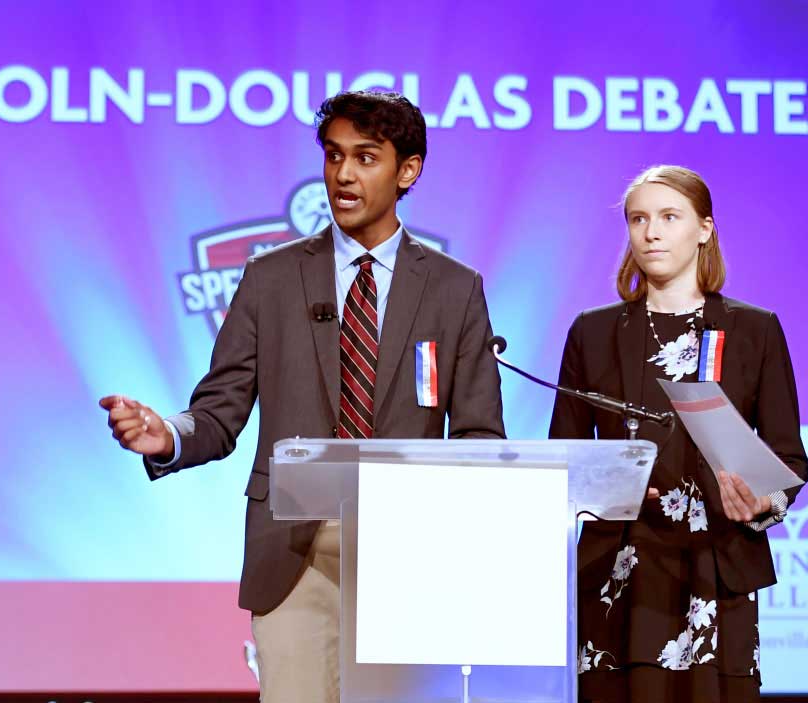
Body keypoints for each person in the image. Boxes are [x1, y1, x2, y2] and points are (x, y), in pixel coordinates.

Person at [100, 90, 505, 703]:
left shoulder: (455, 289)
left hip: (406, 554)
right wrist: (169, 437)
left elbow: (479, 436)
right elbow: (219, 410)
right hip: (292, 552)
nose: (343, 174)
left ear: (408, 171)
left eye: (366, 158)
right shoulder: (271, 277)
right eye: (334, 155)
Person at [549, 165, 807, 703]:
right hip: (619, 573)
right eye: (638, 219)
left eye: (669, 217)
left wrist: (762, 501)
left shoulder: (754, 330)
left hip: (715, 566)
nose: (652, 232)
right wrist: (604, 488)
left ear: (704, 229)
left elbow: (787, 459)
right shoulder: (591, 332)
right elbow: (564, 458)